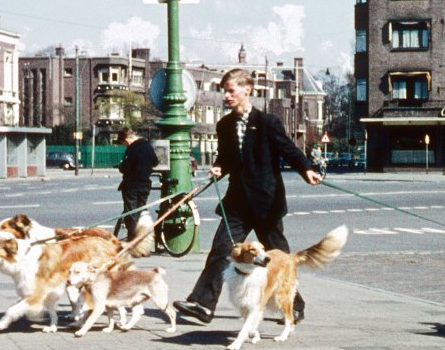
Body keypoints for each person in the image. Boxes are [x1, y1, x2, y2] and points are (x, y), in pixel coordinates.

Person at [173, 68, 323, 324]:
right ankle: (203, 304)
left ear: (247, 90)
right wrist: (220, 166)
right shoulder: (224, 125)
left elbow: (287, 149)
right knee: (221, 250)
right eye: (225, 92)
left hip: (267, 204)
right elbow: (228, 157)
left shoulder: (267, 123)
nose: (227, 96)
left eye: (231, 91)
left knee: (279, 259)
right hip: (237, 204)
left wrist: (306, 169)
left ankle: (295, 305)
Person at [116, 127, 157, 241]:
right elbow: (155, 161)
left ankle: (133, 239)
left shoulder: (132, 149)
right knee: (141, 211)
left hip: (132, 185)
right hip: (145, 185)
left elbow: (126, 168)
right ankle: (143, 237)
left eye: (124, 143)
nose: (125, 145)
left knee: (131, 213)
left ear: (127, 139)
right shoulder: (148, 146)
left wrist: (122, 166)